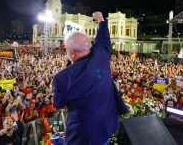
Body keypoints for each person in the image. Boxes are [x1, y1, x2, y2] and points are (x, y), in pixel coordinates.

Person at [53, 11, 128, 144]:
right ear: (89, 45)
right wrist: (101, 20)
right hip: (107, 126)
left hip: (83, 137)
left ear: (71, 53)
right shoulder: (102, 54)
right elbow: (104, 39)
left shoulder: (62, 78)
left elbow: (59, 103)